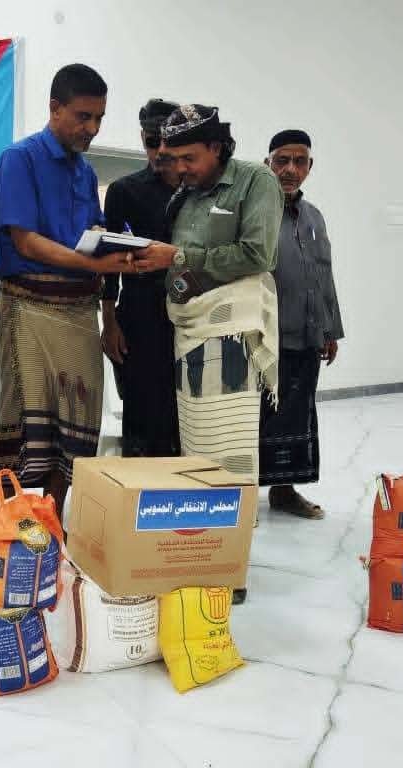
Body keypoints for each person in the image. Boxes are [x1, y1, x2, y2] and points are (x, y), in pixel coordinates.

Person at [135, 105, 283, 604]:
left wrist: (176, 257)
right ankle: (202, 556)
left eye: (189, 158)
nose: (179, 168)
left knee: (230, 453)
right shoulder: (187, 192)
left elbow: (258, 254)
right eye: (172, 159)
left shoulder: (255, 182)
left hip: (232, 332)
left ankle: (231, 568)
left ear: (217, 148)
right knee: (197, 452)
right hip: (190, 332)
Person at [0, 63, 135, 516]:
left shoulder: (85, 172)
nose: (92, 128)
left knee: (77, 426)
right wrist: (94, 262)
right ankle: (12, 530)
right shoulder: (20, 159)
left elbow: (93, 234)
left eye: (99, 118)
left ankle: (51, 524)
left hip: (80, 314)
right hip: (28, 310)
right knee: (24, 424)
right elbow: (26, 242)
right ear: (55, 108)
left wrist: (119, 251)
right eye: (83, 116)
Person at [259, 129, 344, 518]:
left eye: (299, 161)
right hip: (264, 339)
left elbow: (324, 275)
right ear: (268, 164)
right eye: (282, 161)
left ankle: (284, 491)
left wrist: (330, 330)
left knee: (297, 416)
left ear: (310, 167)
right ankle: (245, 495)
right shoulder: (255, 212)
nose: (290, 169)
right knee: (258, 418)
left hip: (308, 335)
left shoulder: (315, 217)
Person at [100, 98, 182, 457]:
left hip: (190, 318)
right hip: (138, 319)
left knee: (186, 418)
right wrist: (109, 324)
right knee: (140, 420)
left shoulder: (198, 192)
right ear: (142, 139)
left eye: (169, 141)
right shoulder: (124, 191)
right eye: (151, 141)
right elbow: (109, 266)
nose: (160, 150)